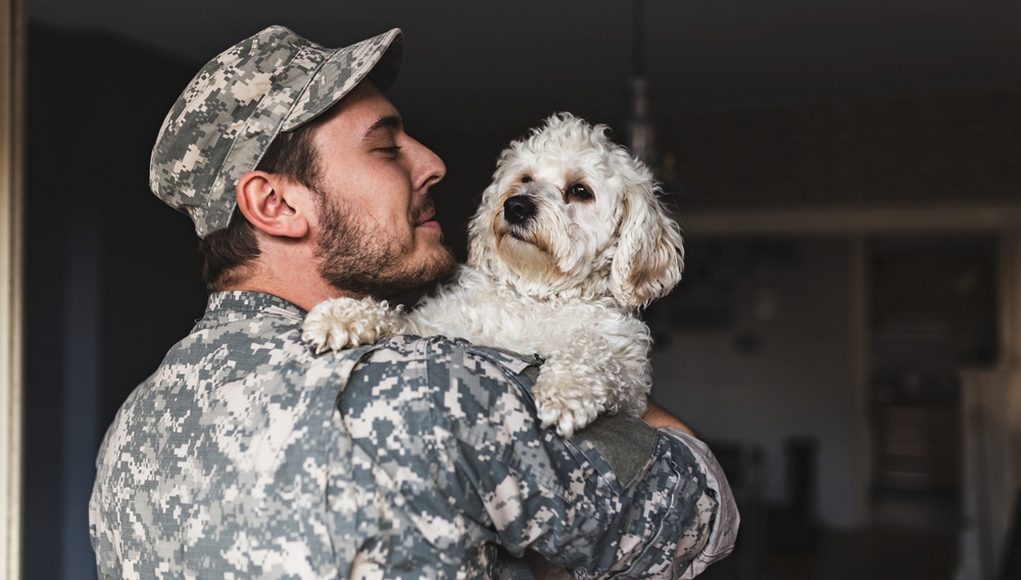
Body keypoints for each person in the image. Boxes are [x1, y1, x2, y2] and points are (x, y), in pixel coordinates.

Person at [88, 25, 738, 579]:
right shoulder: (447, 386)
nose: (433, 164)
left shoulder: (127, 434)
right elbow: (703, 512)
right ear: (276, 205)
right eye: (385, 146)